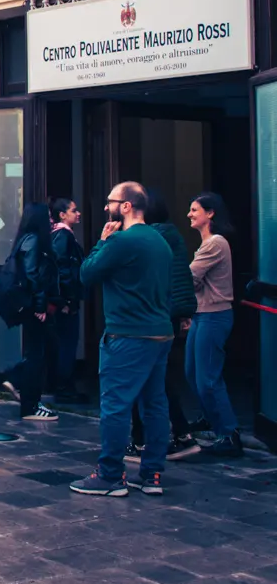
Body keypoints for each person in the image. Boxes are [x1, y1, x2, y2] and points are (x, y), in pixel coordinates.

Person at [70, 181, 173, 498]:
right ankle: (152, 474)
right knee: (154, 405)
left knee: (115, 406)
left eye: (110, 201)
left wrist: (102, 242)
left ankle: (110, 476)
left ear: (126, 206)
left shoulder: (122, 242)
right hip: (159, 333)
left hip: (128, 334)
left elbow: (86, 274)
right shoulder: (160, 241)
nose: (106, 207)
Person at [129, 191, 200, 460]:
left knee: (149, 375)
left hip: (155, 313)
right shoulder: (170, 234)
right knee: (157, 375)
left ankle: (150, 440)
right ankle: (171, 435)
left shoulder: (152, 236)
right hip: (167, 312)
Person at [187, 191, 241, 458]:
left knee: (208, 377)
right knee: (192, 372)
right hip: (202, 314)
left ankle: (228, 433)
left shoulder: (215, 243)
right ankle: (211, 420)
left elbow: (191, 277)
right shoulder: (207, 243)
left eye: (195, 210)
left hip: (213, 315)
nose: (189, 214)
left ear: (210, 213)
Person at [1, 203, 62, 422]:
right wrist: (39, 306)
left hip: (33, 304)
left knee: (42, 349)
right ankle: (29, 404)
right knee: (38, 352)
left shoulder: (28, 240)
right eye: (47, 216)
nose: (51, 219)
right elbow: (33, 274)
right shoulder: (33, 241)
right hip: (33, 306)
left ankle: (21, 385)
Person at [49, 198, 88, 403]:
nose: (78, 213)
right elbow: (63, 268)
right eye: (74, 210)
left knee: (64, 342)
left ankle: (64, 384)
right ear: (62, 215)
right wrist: (68, 300)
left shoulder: (59, 234)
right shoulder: (63, 235)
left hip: (63, 300)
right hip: (65, 301)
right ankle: (64, 387)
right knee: (67, 343)